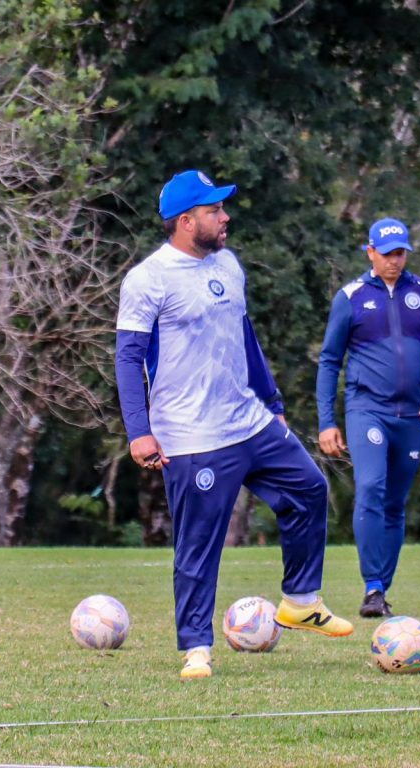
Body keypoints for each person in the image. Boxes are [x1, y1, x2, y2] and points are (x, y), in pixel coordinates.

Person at [114, 170, 354, 680]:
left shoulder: (228, 263)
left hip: (249, 420)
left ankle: (301, 601)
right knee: (198, 545)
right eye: (214, 210)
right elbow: (128, 358)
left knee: (309, 488)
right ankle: (196, 648)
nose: (225, 217)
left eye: (222, 208)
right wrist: (139, 430)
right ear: (186, 221)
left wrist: (271, 399)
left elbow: (245, 336)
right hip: (191, 434)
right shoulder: (148, 279)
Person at [316, 217, 420, 618]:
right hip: (367, 410)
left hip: (412, 415)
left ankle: (381, 593)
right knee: (371, 487)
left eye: (401, 253)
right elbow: (329, 360)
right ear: (370, 252)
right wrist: (327, 421)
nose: (396, 260)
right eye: (388, 253)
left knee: (395, 502)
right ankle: (372, 585)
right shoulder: (351, 297)